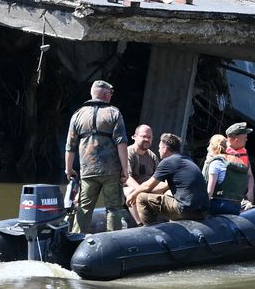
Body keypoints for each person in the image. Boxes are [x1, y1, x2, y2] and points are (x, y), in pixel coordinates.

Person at [64, 80, 132, 233]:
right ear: (106, 94)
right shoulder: (114, 113)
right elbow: (121, 143)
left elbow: (70, 146)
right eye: (110, 94)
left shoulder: (78, 115)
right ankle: (113, 242)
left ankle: (76, 240)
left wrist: (68, 169)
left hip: (87, 171)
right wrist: (125, 169)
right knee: (113, 209)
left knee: (84, 208)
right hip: (111, 171)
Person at [125, 133, 208, 223]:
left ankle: (149, 230)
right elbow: (166, 185)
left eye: (160, 147)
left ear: (164, 149)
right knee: (169, 194)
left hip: (185, 210)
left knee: (141, 198)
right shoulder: (188, 160)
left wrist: (133, 195)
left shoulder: (168, 162)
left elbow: (148, 186)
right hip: (203, 211)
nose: (158, 150)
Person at [122, 124, 164, 225]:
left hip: (148, 187)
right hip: (130, 188)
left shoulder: (152, 155)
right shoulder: (127, 152)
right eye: (144, 136)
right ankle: (140, 224)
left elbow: (159, 177)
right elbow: (126, 177)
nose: (147, 139)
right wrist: (140, 190)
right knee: (131, 191)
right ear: (134, 137)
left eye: (149, 137)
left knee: (168, 187)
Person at [202, 134, 250, 215]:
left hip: (220, 206)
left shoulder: (216, 162)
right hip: (236, 207)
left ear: (212, 147)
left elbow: (209, 192)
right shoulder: (238, 161)